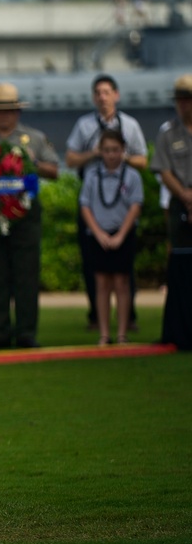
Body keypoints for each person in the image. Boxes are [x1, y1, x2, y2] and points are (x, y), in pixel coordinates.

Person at [0, 82, 59, 349]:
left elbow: (54, 170)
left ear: (17, 112)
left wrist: (32, 162)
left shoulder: (34, 139)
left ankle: (26, 332)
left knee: (26, 275)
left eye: (9, 110)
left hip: (25, 215)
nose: (4, 116)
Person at [65, 74, 147, 332]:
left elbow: (143, 161)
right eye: (98, 92)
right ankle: (95, 317)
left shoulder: (130, 125)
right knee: (94, 266)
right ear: (93, 97)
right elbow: (70, 159)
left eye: (107, 92)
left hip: (122, 202)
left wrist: (116, 156)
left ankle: (128, 317)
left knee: (124, 269)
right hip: (94, 201)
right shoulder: (84, 125)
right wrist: (96, 153)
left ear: (116, 95)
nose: (103, 97)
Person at [79, 129, 143, 346]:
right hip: (98, 234)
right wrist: (98, 233)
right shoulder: (92, 175)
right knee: (102, 283)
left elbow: (135, 206)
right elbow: (85, 205)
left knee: (122, 282)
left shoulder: (132, 175)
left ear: (122, 150)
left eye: (115, 150)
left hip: (123, 232)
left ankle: (123, 333)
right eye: (106, 150)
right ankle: (104, 334)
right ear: (100, 152)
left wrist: (121, 235)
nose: (111, 155)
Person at [152, 74, 192, 350]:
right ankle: (179, 331)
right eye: (180, 100)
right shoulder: (168, 132)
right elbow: (163, 170)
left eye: (188, 99)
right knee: (180, 267)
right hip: (181, 202)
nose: (184, 105)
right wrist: (186, 197)